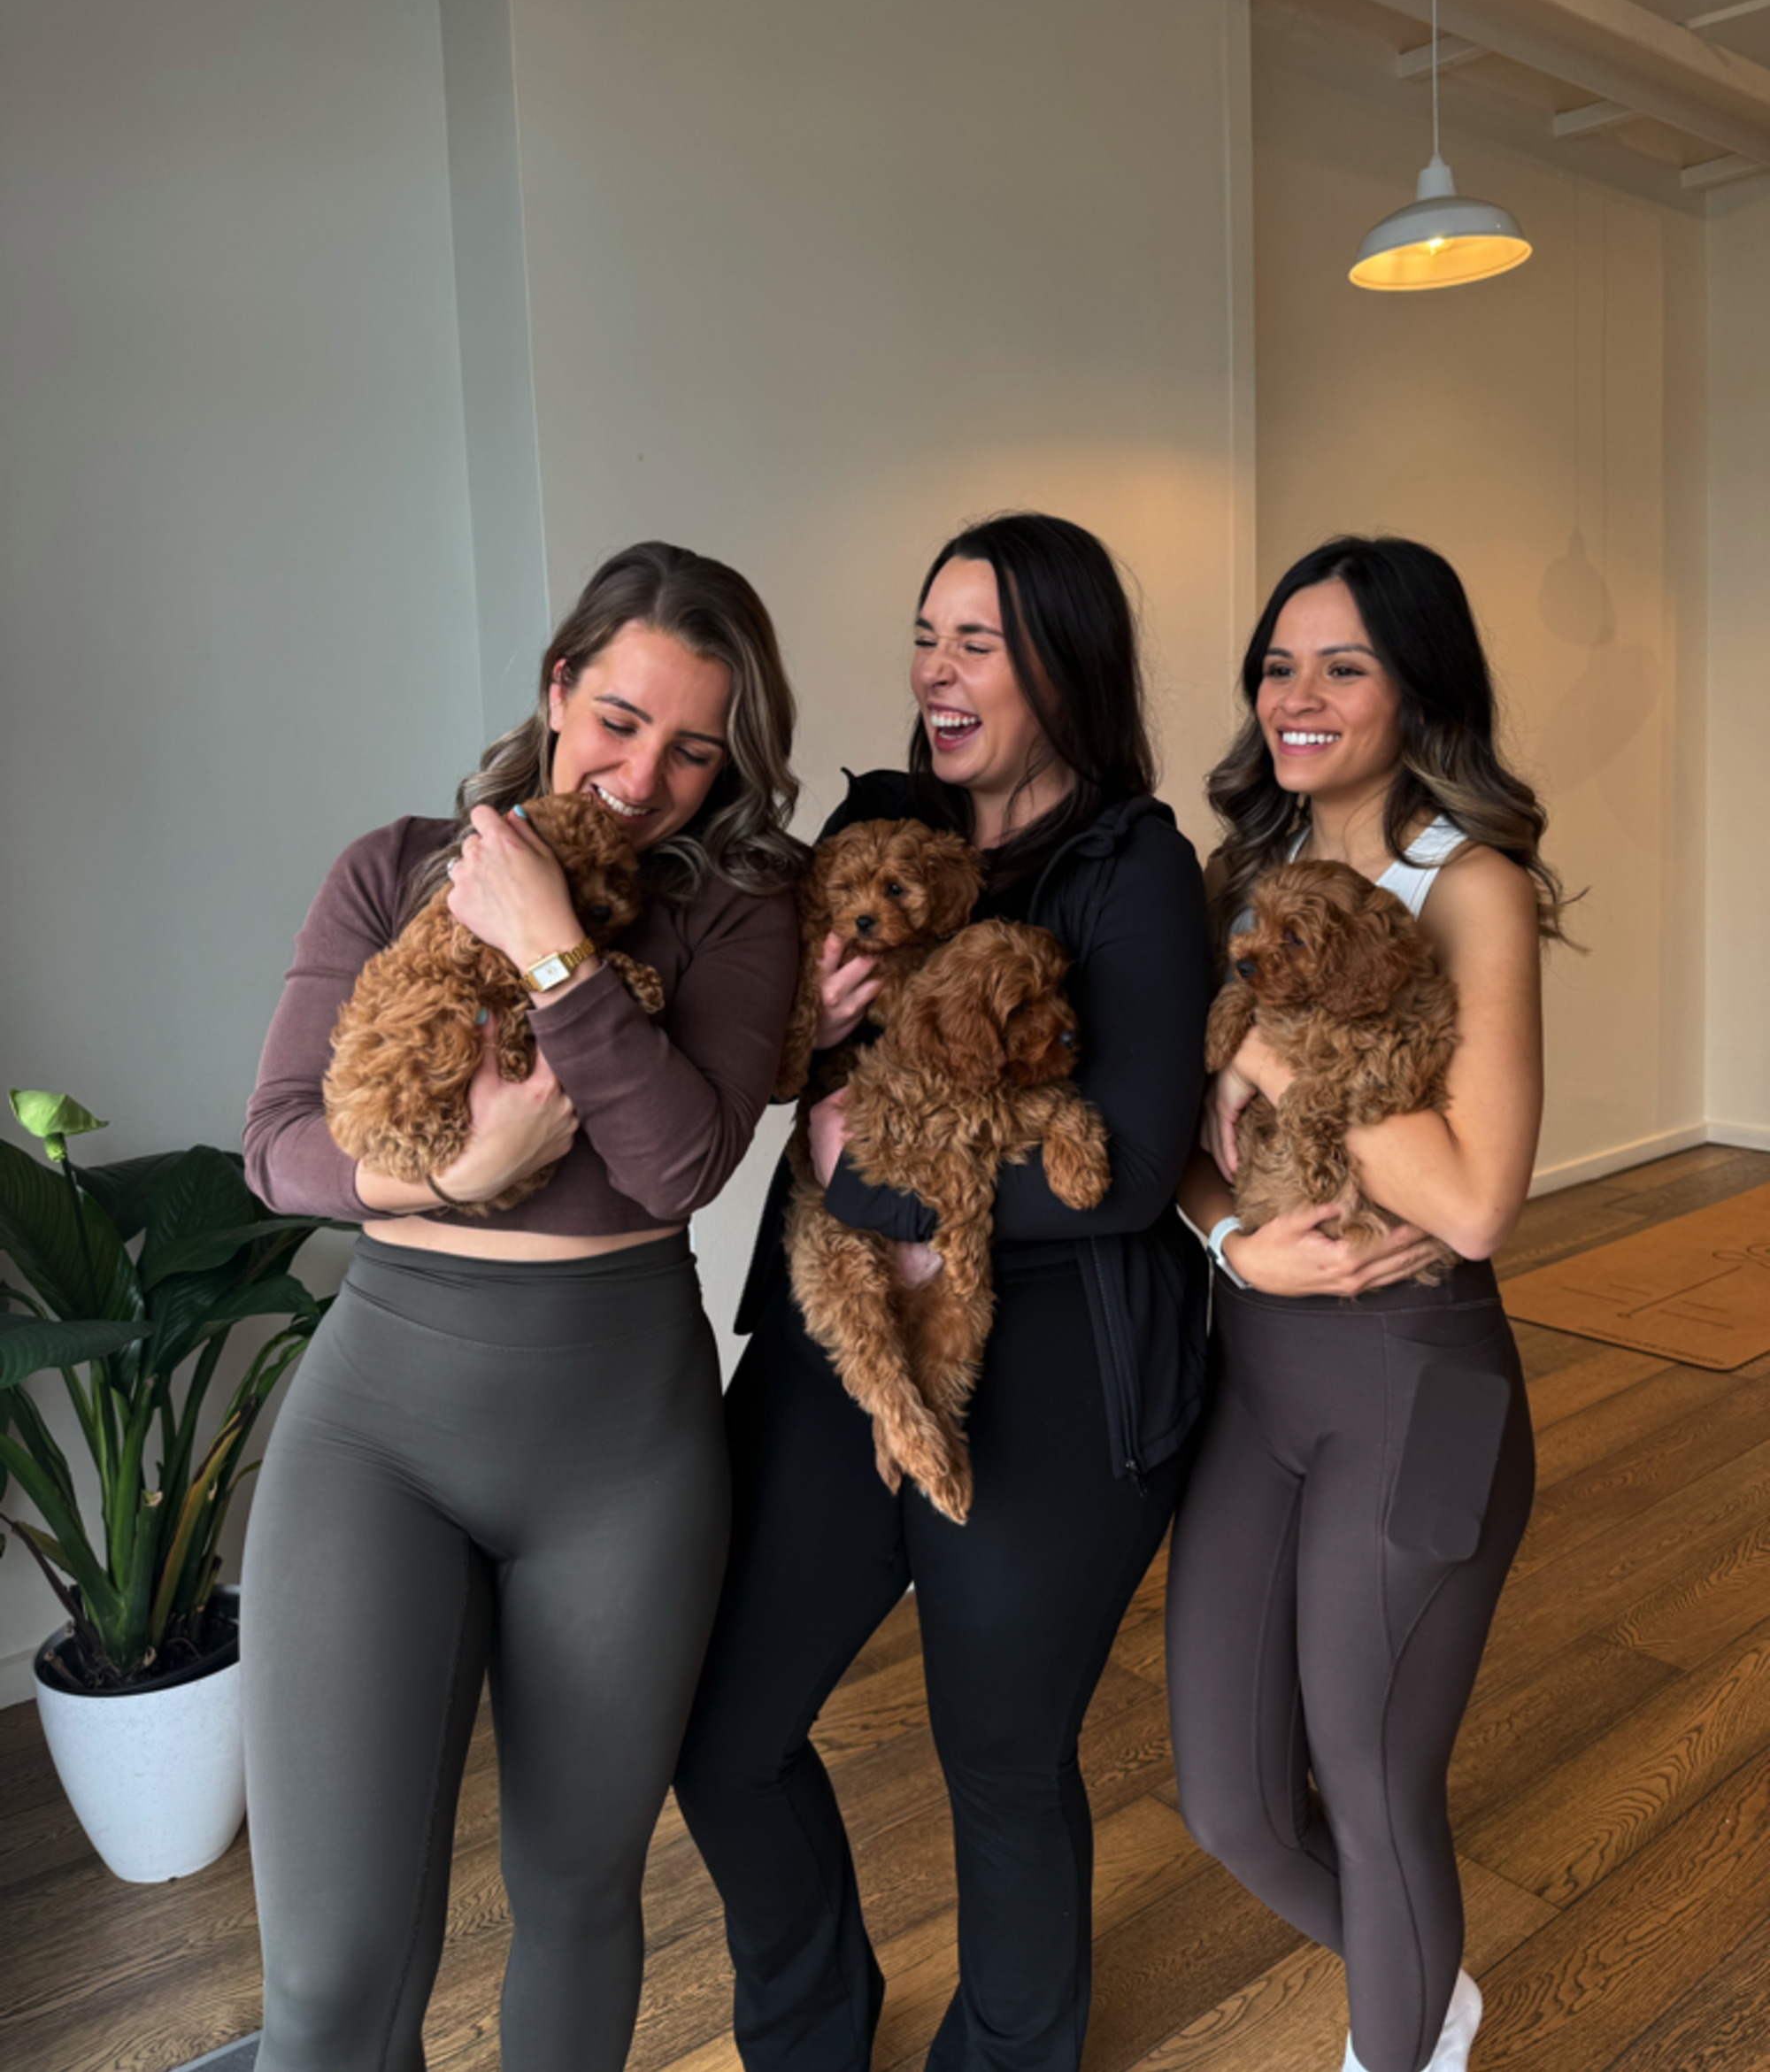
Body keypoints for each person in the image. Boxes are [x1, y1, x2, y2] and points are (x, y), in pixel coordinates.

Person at [241, 541, 802, 2072]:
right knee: (334, 1978)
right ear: (558, 689)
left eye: (697, 747)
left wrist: (559, 951)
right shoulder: (395, 863)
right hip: (379, 1437)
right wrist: (455, 1174)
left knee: (574, 1891)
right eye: (620, 718)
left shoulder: (741, 909)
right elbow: (279, 1144)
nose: (647, 775)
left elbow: (681, 1159)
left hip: (622, 1453)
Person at [673, 512, 1215, 2072]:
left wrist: (877, 1188)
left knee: (999, 1750)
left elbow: (1127, 1158)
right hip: (841, 1340)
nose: (938, 669)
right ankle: (810, 2025)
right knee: (721, 1733)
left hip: (1058, 1359)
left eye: (978, 640)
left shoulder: (1134, 868)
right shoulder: (873, 832)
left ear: (1066, 663)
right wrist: (796, 1016)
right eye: (929, 635)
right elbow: (771, 1056)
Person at [1166, 535, 1570, 2072]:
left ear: (1419, 685)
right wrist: (1224, 1241)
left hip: (1417, 1383)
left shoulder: (1469, 886)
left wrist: (1271, 1048)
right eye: (1279, 662)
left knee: (1377, 1783)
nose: (1300, 694)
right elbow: (1177, 1164)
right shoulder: (1232, 879)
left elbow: (1472, 1198)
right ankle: (1427, 1980)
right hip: (1258, 1375)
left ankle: (1400, 2040)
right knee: (1233, 1803)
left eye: (1345, 663)